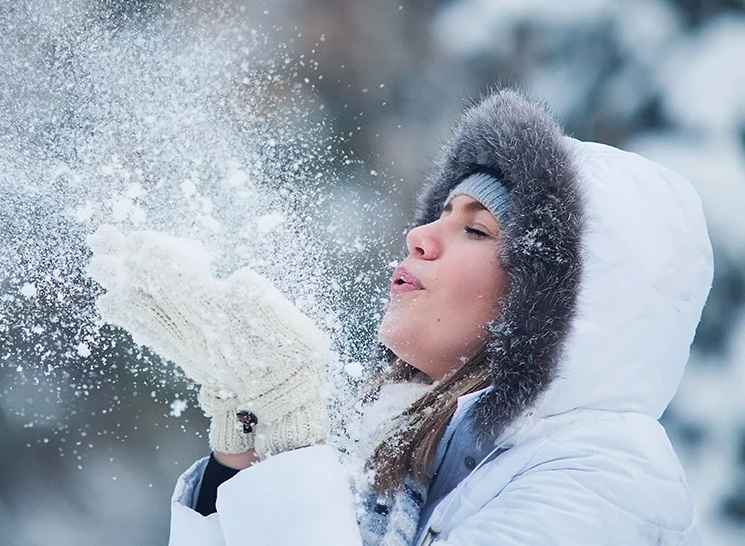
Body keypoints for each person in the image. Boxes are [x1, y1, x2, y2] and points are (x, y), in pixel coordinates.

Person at [86, 90, 713, 545]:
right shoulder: (408, 445)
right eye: (437, 212)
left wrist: (293, 456)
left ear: (552, 302)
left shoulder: (604, 481)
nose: (419, 234)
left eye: (474, 228)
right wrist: (244, 458)